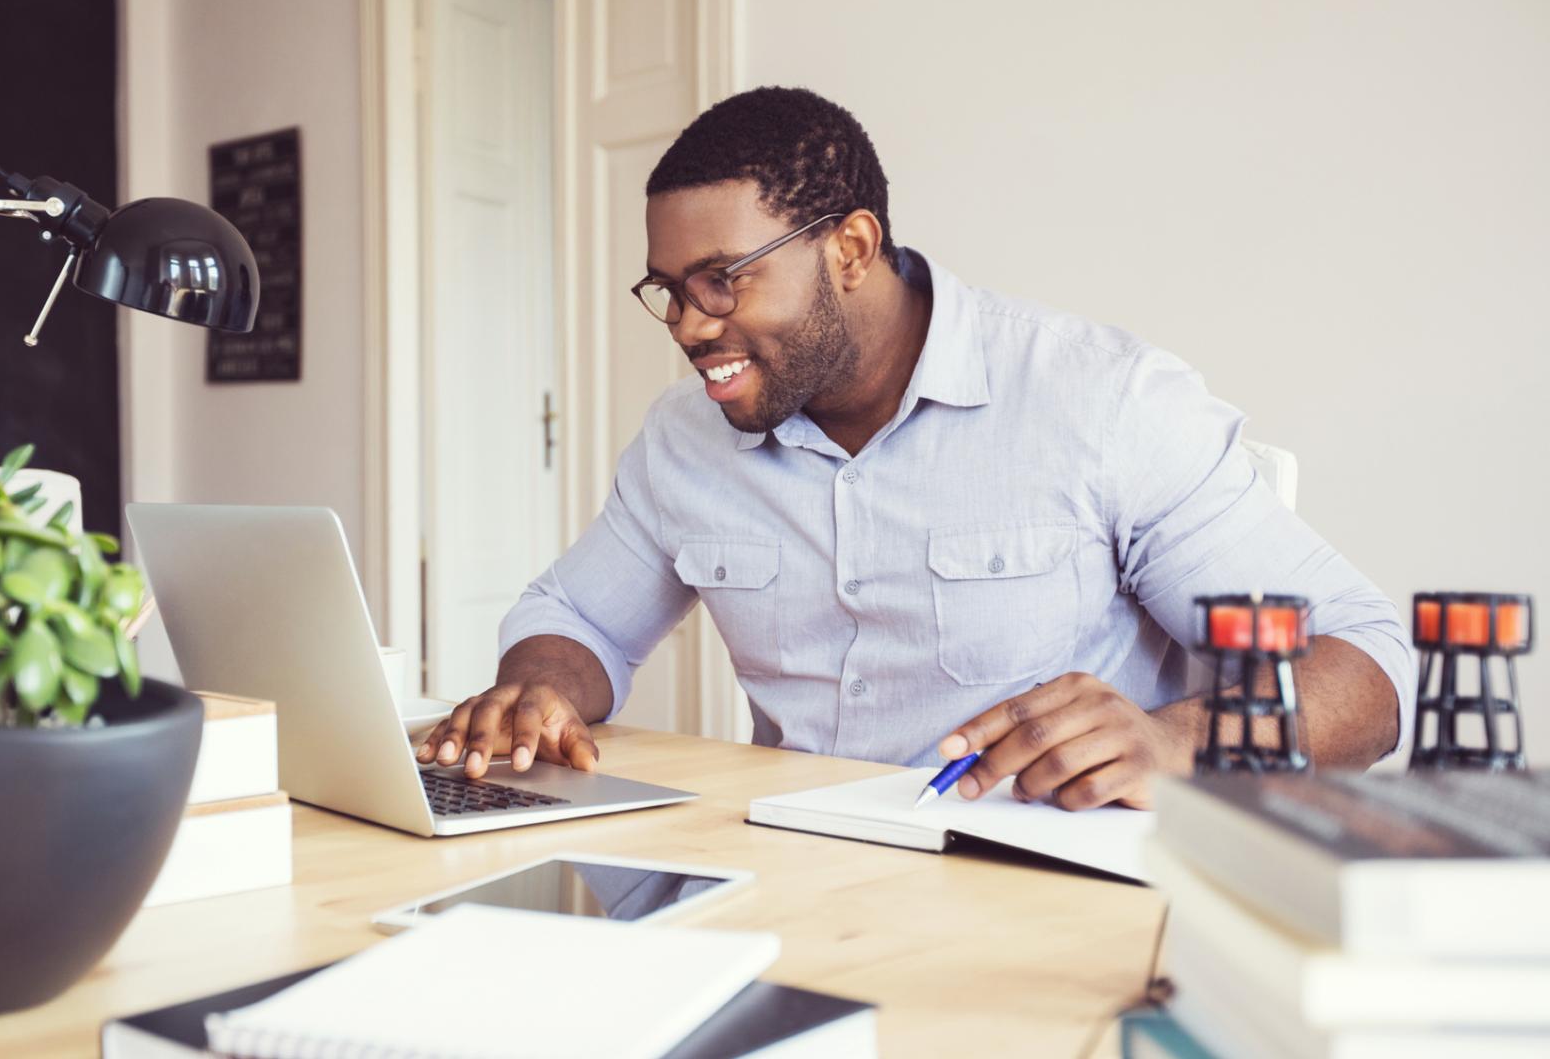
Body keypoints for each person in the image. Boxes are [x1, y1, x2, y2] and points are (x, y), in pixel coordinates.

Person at [416, 86, 1411, 811]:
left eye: (721, 280)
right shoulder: (683, 441)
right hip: (786, 869)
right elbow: (574, 615)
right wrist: (541, 685)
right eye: (669, 288)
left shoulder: (1099, 401)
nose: (685, 323)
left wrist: (1173, 739)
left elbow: (1366, 662)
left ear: (849, 249)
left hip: (1041, 892)